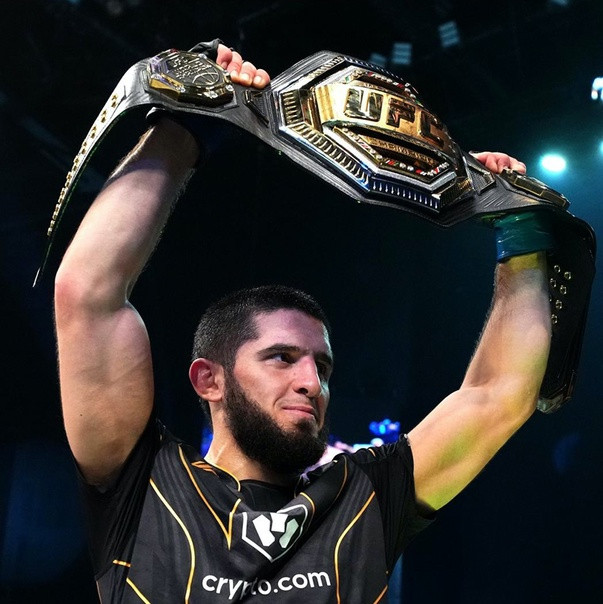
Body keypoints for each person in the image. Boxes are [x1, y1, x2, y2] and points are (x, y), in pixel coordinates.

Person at [53, 44, 551, 603]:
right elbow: (87, 294)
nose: (312, 383)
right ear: (208, 379)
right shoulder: (143, 484)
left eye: (323, 367)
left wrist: (522, 234)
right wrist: (189, 123)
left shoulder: (363, 496)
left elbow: (498, 394)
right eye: (282, 358)